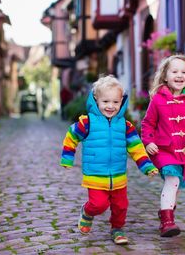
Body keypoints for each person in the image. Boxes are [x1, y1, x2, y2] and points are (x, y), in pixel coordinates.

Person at [60, 75, 158, 245]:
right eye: (105, 101)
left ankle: (117, 229)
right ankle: (87, 212)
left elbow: (136, 148)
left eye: (115, 102)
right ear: (96, 100)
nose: (110, 106)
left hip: (119, 176)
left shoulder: (126, 126)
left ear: (122, 102)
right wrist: (67, 157)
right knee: (98, 204)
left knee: (121, 206)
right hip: (95, 175)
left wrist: (147, 166)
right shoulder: (87, 123)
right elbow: (71, 136)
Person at [141, 54, 185, 237]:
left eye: (184, 72)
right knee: (172, 180)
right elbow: (148, 124)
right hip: (163, 150)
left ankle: (166, 212)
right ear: (165, 76)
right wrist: (148, 142)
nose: (179, 75)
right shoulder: (158, 99)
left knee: (176, 184)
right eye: (174, 71)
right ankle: (167, 222)